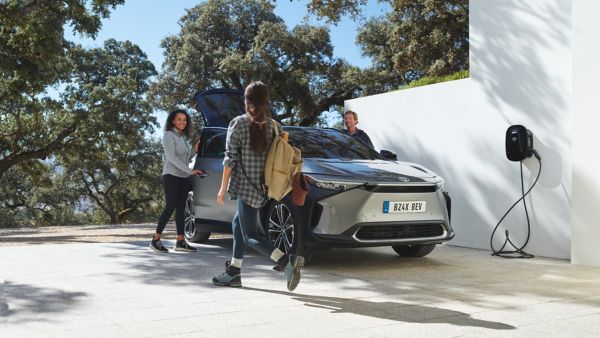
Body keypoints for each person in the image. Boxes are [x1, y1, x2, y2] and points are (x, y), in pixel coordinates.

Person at [212, 81, 304, 291]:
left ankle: (285, 261)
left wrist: (222, 187)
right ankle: (234, 272)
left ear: (247, 101)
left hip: (246, 187)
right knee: (238, 225)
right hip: (266, 189)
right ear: (266, 101)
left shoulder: (238, 123)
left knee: (250, 235)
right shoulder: (275, 126)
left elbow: (230, 159)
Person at [150, 109, 204, 253]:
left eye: (184, 120)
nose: (182, 122)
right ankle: (155, 240)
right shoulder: (168, 135)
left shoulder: (183, 138)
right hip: (171, 175)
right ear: (173, 121)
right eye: (179, 119)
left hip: (183, 176)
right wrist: (190, 171)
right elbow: (172, 158)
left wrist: (195, 149)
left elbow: (186, 158)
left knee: (181, 209)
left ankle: (180, 242)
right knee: (170, 207)